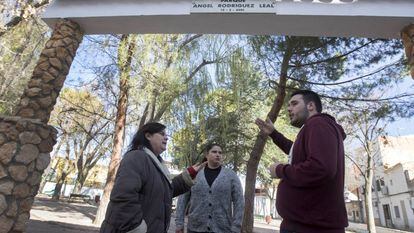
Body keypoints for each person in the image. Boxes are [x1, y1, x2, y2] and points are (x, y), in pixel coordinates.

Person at [255, 90, 348, 233]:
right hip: (305, 224)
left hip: (311, 227)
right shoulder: (315, 127)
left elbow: (320, 168)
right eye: (288, 106)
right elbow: (296, 151)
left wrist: (280, 170)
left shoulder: (318, 124)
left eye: (294, 104)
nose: (289, 109)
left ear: (310, 106)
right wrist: (273, 134)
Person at [100, 122, 206, 233]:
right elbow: (123, 197)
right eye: (162, 134)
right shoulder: (136, 157)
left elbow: (163, 192)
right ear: (148, 136)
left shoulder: (157, 165)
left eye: (166, 135)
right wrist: (137, 228)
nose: (166, 138)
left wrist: (189, 175)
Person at [175, 143, 244, 233]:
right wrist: (179, 223)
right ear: (207, 155)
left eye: (220, 152)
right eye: (214, 152)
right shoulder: (195, 174)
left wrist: (236, 226)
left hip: (222, 228)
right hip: (195, 228)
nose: (218, 154)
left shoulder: (231, 175)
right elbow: (182, 199)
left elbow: (239, 201)